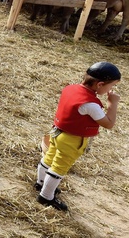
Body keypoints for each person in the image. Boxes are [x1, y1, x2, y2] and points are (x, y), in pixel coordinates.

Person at [36, 62, 120, 211]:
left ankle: (41, 183)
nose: (111, 90)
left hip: (57, 130)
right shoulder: (91, 104)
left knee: (49, 158)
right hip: (71, 139)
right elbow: (108, 123)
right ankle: (46, 196)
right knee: (59, 167)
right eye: (111, 86)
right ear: (100, 84)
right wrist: (113, 104)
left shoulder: (70, 88)